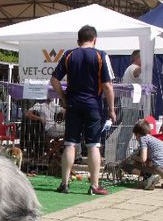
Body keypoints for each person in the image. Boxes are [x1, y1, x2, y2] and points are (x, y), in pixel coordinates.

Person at [49, 25, 116, 196]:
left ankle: (64, 183)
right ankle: (94, 185)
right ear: (95, 40)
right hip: (94, 105)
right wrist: (112, 108)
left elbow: (54, 80)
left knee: (70, 143)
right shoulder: (101, 55)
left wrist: (64, 98)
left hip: (73, 104)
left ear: (78, 41)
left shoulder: (69, 55)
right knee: (94, 145)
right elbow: (108, 86)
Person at [120, 119, 163, 190]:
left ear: (137, 134)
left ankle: (151, 178)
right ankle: (150, 178)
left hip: (159, 169)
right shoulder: (153, 139)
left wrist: (133, 157)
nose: (136, 138)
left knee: (129, 165)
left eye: (135, 136)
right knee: (147, 163)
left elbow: (143, 159)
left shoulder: (143, 139)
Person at [116, 50, 143, 162]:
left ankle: (122, 156)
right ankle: (120, 158)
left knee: (127, 130)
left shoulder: (130, 68)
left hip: (132, 105)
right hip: (130, 105)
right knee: (126, 130)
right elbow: (136, 72)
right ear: (137, 58)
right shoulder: (133, 68)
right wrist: (146, 64)